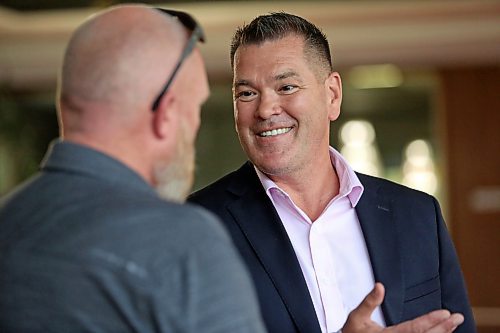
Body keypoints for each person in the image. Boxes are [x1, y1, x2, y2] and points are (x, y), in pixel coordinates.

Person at [188, 12, 476, 333]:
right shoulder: (195, 226)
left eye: (286, 86)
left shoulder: (418, 214)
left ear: (332, 95)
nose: (265, 109)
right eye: (246, 93)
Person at [0, 5, 266, 333]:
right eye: (194, 107)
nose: (195, 125)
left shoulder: (9, 220)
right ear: (166, 114)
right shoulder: (184, 244)